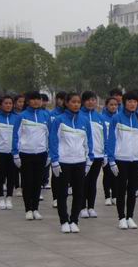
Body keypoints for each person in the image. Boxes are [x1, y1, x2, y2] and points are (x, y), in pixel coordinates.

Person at [48, 91, 94, 233]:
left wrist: (89, 159)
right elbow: (53, 140)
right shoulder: (59, 120)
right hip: (63, 162)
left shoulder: (85, 121)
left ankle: (74, 220)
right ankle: (64, 220)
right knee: (62, 193)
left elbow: (88, 142)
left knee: (79, 193)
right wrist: (54, 160)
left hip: (80, 161)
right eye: (73, 102)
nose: (76, 105)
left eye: (78, 102)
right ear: (67, 103)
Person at [107, 90, 138, 230]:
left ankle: (130, 217)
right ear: (124, 103)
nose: (132, 104)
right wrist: (111, 159)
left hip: (137, 159)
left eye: (135, 101)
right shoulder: (117, 118)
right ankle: (121, 217)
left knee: (132, 190)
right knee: (121, 189)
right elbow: (111, 139)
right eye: (129, 101)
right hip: (121, 159)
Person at [12, 91, 51, 220]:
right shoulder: (22, 116)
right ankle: (28, 209)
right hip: (26, 154)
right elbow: (16, 136)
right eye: (33, 99)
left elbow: (50, 136)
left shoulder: (45, 116)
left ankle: (36, 208)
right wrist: (15, 154)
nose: (36, 101)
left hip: (41, 154)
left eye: (38, 99)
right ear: (28, 101)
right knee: (27, 182)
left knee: (37, 182)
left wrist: (49, 154)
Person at [0, 94, 20, 210]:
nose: (8, 105)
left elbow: (19, 136)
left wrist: (17, 151)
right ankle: (1, 197)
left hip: (12, 152)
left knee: (11, 175)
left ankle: (9, 197)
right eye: (6, 103)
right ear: (1, 105)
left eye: (10, 103)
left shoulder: (17, 118)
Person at [81, 91, 107, 218]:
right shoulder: (79, 116)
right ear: (83, 101)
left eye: (93, 100)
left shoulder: (100, 118)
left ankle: (91, 207)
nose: (91, 102)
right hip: (82, 156)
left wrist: (105, 154)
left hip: (97, 155)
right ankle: (82, 207)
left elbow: (105, 137)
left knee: (92, 182)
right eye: (88, 100)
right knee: (82, 182)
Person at [100, 96, 119, 205]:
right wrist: (104, 153)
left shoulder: (119, 118)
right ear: (106, 105)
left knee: (116, 174)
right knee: (107, 174)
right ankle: (107, 196)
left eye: (115, 105)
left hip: (117, 152)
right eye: (111, 104)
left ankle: (115, 195)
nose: (113, 107)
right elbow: (102, 137)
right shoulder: (102, 118)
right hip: (106, 152)